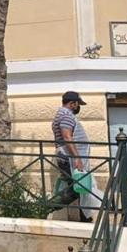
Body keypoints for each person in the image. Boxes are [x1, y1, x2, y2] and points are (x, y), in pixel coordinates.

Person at [52, 91, 91, 220]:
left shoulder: (63, 114)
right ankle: (48, 207)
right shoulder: (66, 116)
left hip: (69, 158)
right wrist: (77, 158)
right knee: (76, 188)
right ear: (72, 103)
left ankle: (84, 217)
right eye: (78, 104)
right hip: (68, 159)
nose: (78, 107)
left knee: (79, 187)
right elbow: (67, 137)